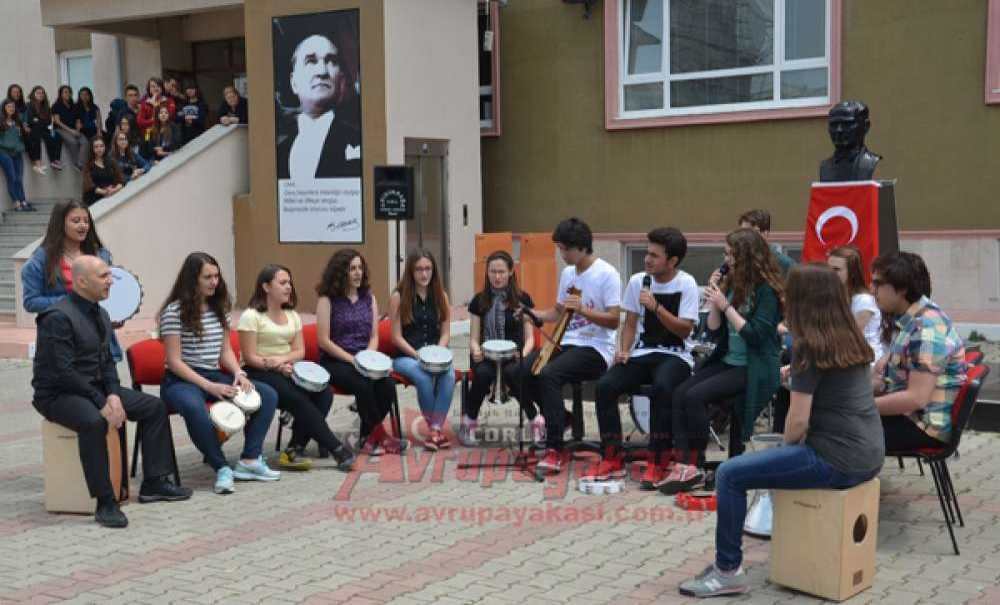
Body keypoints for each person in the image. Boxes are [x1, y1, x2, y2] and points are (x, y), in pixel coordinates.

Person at [679, 263, 883, 597]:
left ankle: (727, 571)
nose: (785, 299)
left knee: (730, 474)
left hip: (836, 458)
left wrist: (783, 450)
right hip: (870, 453)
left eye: (789, 293)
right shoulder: (848, 338)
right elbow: (833, 389)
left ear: (804, 300)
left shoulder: (809, 345)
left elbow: (798, 422)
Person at [32, 255, 192, 528]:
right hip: (57, 394)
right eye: (104, 276)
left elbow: (106, 362)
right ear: (81, 281)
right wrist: (101, 401)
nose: (111, 281)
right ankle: (105, 501)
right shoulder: (57, 317)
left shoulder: (101, 313)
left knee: (153, 408)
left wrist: (114, 394)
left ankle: (155, 482)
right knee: (94, 421)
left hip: (94, 389)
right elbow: (64, 372)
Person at [664, 228, 784, 494]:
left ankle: (697, 463)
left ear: (748, 258)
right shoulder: (732, 284)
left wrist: (726, 306)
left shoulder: (766, 292)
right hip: (729, 359)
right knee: (681, 392)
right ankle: (685, 462)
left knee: (695, 397)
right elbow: (715, 330)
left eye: (731, 255)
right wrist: (716, 302)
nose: (726, 260)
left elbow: (755, 335)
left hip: (754, 366)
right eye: (725, 253)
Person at [158, 252, 280, 495]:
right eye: (207, 277)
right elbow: (174, 362)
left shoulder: (219, 308)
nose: (214, 282)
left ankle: (250, 460)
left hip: (213, 375)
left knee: (266, 395)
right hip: (181, 380)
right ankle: (221, 467)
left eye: (216, 276)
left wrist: (238, 372)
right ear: (192, 280)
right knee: (194, 408)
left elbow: (225, 351)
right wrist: (209, 387)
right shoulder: (174, 311)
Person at [589, 227, 700, 488]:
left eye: (654, 255)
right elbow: (629, 323)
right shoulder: (638, 281)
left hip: (676, 356)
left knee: (663, 387)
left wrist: (657, 307)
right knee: (606, 385)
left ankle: (658, 461)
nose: (647, 259)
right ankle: (612, 456)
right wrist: (624, 350)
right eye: (646, 253)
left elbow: (685, 329)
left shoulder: (686, 283)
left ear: (672, 261)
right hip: (642, 353)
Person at [526, 218, 622, 475]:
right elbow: (558, 312)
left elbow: (614, 321)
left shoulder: (607, 274)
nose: (562, 254)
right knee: (522, 370)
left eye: (564, 249)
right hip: (568, 341)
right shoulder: (568, 273)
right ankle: (561, 416)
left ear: (581, 247)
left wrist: (584, 310)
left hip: (597, 348)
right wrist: (531, 314)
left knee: (549, 374)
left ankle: (554, 448)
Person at [238, 264, 356, 471]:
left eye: (289, 283)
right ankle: (337, 449)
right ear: (266, 287)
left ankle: (294, 447)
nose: (288, 287)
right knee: (297, 398)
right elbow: (249, 356)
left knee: (324, 393)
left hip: (286, 369)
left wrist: (283, 361)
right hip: (258, 371)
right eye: (282, 283)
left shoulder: (292, 315)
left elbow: (299, 351)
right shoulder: (251, 316)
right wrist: (275, 365)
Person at [870, 252, 966, 451]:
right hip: (912, 418)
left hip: (922, 427)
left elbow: (916, 398)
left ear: (902, 288)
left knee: (835, 432)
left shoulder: (926, 327)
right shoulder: (913, 319)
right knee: (832, 421)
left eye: (878, 284)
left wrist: (858, 407)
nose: (872, 290)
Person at [317, 249, 407, 456]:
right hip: (335, 360)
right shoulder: (327, 300)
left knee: (387, 385)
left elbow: (374, 335)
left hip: (364, 359)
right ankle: (381, 436)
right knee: (363, 383)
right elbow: (324, 340)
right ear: (341, 273)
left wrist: (368, 358)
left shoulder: (369, 298)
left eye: (360, 268)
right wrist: (353, 360)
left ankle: (367, 438)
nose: (358, 273)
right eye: (352, 269)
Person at [21, 199, 124, 360]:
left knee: (107, 383)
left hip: (100, 341)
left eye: (86, 221)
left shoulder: (101, 255)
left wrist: (115, 314)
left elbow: (108, 295)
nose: (83, 225)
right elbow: (31, 302)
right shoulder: (40, 260)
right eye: (76, 221)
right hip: (63, 340)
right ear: (60, 224)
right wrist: (73, 301)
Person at [461, 250, 537, 447]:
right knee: (484, 373)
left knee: (513, 372)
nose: (497, 277)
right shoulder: (479, 301)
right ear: (487, 273)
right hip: (486, 355)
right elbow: (474, 337)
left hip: (515, 354)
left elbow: (530, 338)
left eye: (501, 272)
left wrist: (524, 355)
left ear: (511, 272)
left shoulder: (523, 299)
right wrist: (476, 350)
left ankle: (536, 421)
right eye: (493, 272)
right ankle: (469, 422)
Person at [389, 249, 454, 450]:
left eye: (428, 269)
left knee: (449, 376)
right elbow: (396, 337)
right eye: (419, 270)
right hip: (407, 356)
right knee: (423, 376)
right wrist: (419, 356)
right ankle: (435, 431)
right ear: (411, 272)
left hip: (436, 355)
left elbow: (445, 333)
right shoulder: (398, 297)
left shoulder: (441, 296)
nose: (424, 274)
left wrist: (438, 355)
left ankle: (434, 430)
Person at [276, 33, 361, 180]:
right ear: (293, 83)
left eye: (331, 61)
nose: (322, 72)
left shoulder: (358, 141)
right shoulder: (279, 152)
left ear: (341, 81)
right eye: (310, 61)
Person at [827, 245, 882, 360]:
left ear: (852, 272)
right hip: (844, 360)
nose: (830, 273)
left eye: (836, 269)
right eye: (828, 269)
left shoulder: (864, 300)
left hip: (868, 364)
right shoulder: (835, 297)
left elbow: (848, 337)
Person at [737, 209, 795, 276]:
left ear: (765, 233)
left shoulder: (784, 263)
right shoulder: (738, 262)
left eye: (750, 232)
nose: (744, 237)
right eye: (742, 232)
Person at [0, 98, 31, 211]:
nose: (11, 109)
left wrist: (25, 129)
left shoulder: (18, 121)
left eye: (13, 107)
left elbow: (26, 116)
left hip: (17, 153)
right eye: (9, 107)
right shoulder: (1, 122)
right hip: (4, 153)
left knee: (19, 178)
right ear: (4, 108)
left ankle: (23, 201)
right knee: (12, 177)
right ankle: (16, 202)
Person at [25, 86, 63, 174]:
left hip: (45, 129)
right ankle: (38, 163)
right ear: (33, 94)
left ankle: (55, 160)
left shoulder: (45, 106)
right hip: (35, 129)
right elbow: (31, 120)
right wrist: (40, 121)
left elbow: (49, 120)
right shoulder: (29, 105)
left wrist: (38, 120)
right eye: (38, 93)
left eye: (42, 93)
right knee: (37, 138)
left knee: (57, 136)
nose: (40, 95)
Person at [52, 85, 87, 170]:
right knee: (73, 141)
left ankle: (80, 163)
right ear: (61, 94)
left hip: (74, 129)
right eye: (65, 92)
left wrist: (77, 130)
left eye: (69, 92)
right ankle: (76, 163)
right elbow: (57, 121)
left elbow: (78, 119)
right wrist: (71, 131)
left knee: (84, 141)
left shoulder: (74, 106)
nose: (68, 94)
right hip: (61, 129)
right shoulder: (56, 106)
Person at [82, 137, 124, 207]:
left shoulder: (112, 161)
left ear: (105, 147)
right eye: (96, 147)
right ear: (92, 149)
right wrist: (105, 192)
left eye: (101, 146)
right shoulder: (87, 165)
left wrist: (114, 190)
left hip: (113, 196)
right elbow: (89, 186)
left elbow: (121, 180)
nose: (99, 149)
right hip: (95, 200)